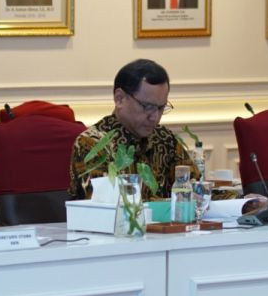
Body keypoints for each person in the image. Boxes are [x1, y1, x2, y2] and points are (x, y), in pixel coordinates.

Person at [69, 59, 198, 199]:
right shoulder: (92, 143)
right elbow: (107, 203)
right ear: (119, 99)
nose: (155, 117)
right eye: (147, 106)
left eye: (161, 108)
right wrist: (174, 202)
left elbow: (195, 189)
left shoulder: (164, 138)